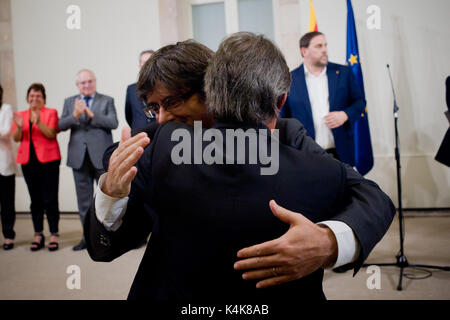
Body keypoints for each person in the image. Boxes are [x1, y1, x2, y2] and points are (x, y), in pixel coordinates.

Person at [86, 34, 395, 300]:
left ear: (211, 90)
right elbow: (105, 247)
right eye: (153, 108)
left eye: (172, 102)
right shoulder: (158, 143)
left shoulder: (285, 134)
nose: (162, 118)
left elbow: (370, 196)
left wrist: (328, 241)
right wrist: (111, 193)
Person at [279, 31, 365, 167]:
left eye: (325, 45)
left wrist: (345, 115)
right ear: (304, 51)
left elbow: (360, 102)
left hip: (341, 153)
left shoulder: (343, 73)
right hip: (305, 155)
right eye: (318, 46)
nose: (324, 50)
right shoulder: (290, 80)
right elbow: (283, 118)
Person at [59, 69, 118, 251]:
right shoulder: (70, 102)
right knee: (83, 202)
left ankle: (108, 237)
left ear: (95, 82)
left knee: (105, 200)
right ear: (77, 85)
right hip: (78, 158)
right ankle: (87, 238)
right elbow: (60, 125)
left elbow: (113, 123)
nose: (86, 85)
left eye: (89, 81)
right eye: (82, 83)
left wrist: (91, 114)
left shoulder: (106, 100)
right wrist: (75, 115)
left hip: (100, 156)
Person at [12, 83, 61, 251]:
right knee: (36, 200)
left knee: (50, 198)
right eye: (32, 96)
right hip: (28, 162)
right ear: (27, 98)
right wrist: (19, 127)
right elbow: (16, 138)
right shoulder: (20, 115)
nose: (35, 99)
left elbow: (51, 133)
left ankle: (54, 233)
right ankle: (38, 233)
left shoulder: (51, 112)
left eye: (38, 96)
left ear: (43, 98)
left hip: (49, 161)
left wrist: (38, 122)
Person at [0, 84, 16, 250]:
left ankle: (8, 235)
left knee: (6, 203)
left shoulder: (6, 108)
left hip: (3, 163)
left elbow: (5, 132)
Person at [125, 50, 156, 130]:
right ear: (140, 65)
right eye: (144, 62)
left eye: (149, 62)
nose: (146, 65)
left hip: (159, 132)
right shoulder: (131, 89)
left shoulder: (163, 87)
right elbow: (129, 115)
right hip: (139, 133)